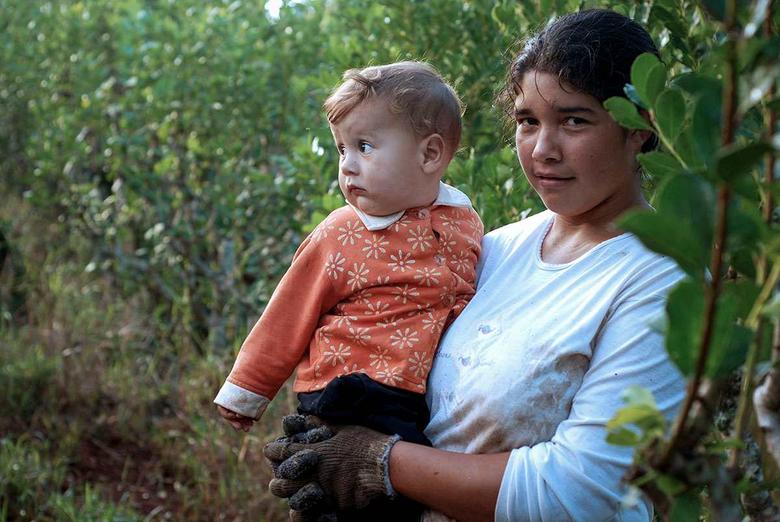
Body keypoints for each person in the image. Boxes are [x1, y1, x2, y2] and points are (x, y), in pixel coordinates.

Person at [264, 9, 686, 522]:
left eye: (574, 120)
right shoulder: (494, 250)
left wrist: (379, 461)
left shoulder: (662, 280)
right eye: (528, 122)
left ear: (639, 127)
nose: (543, 150)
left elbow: (581, 491)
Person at [214, 61, 483, 517]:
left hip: (415, 393)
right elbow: (289, 312)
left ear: (430, 155)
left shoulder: (466, 225)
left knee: (401, 488)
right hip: (351, 387)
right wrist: (247, 391)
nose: (348, 166)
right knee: (375, 491)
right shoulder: (342, 232)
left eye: (364, 146)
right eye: (342, 150)